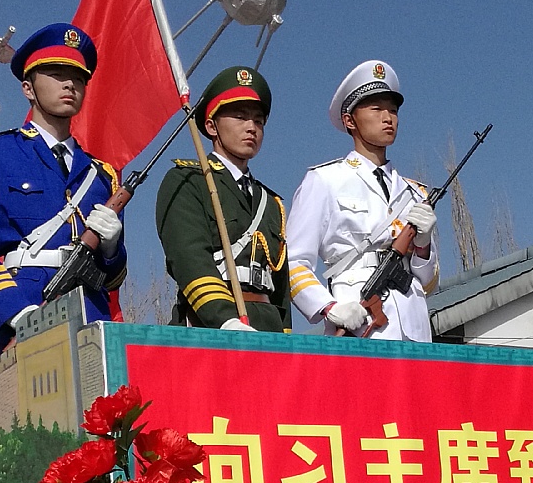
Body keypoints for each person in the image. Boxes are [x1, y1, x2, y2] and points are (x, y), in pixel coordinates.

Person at [0, 23, 127, 363]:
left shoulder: (102, 176)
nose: (69, 84)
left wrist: (111, 249)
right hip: (23, 314)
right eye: (56, 74)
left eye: (78, 78)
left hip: (91, 319)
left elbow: (114, 278)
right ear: (28, 89)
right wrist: (17, 313)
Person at [286, 60, 440, 340]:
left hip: (414, 328)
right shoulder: (325, 180)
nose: (388, 118)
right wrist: (328, 307)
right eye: (376, 109)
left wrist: (423, 245)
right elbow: (294, 262)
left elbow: (429, 282)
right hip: (358, 320)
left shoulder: (415, 193)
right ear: (349, 120)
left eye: (393, 110)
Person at [156, 67, 288, 332]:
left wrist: (285, 337)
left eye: (259, 121)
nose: (251, 128)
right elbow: (189, 257)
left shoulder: (270, 202)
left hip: (267, 328)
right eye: (240, 117)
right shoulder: (189, 180)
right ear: (211, 126)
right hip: (209, 324)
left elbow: (280, 286)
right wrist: (224, 319)